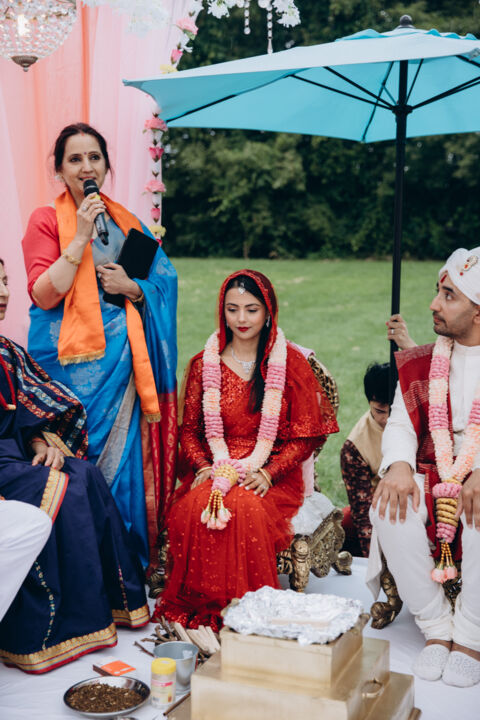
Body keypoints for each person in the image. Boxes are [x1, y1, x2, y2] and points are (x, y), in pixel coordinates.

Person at [21, 123, 178, 569]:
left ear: (107, 166)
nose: (86, 167)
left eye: (94, 157)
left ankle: (125, 568)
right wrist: (80, 235)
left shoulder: (127, 222)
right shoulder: (45, 221)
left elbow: (164, 282)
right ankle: (79, 568)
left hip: (123, 368)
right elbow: (43, 295)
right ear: (59, 170)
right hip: (63, 371)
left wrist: (133, 288)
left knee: (125, 468)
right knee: (69, 465)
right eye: (75, 159)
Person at [154, 270, 339, 629]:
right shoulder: (203, 364)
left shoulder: (289, 364)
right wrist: (202, 465)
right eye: (232, 309)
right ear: (222, 311)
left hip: (271, 470)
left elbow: (305, 437)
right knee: (195, 506)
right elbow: (189, 431)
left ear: (268, 312)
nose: (241, 319)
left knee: (244, 507)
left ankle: (246, 609)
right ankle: (206, 608)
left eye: (251, 310)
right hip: (217, 466)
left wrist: (269, 473)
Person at [0, 258, 149, 673]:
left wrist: (41, 441)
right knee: (56, 488)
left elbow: (33, 410)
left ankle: (106, 612)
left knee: (83, 474)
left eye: (5, 282)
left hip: (13, 457)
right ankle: (48, 631)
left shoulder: (6, 352)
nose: (4, 293)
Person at [367, 247, 480, 688]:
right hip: (433, 469)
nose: (434, 304)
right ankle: (436, 627)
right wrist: (397, 465)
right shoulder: (421, 363)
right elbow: (399, 424)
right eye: (438, 291)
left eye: (448, 296)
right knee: (388, 505)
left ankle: (470, 636)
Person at [340, 362, 391, 557]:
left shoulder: (422, 420)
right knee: (345, 523)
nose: (387, 419)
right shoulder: (355, 447)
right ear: (369, 402)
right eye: (380, 411)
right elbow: (362, 513)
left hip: (423, 502)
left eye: (393, 411)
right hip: (381, 512)